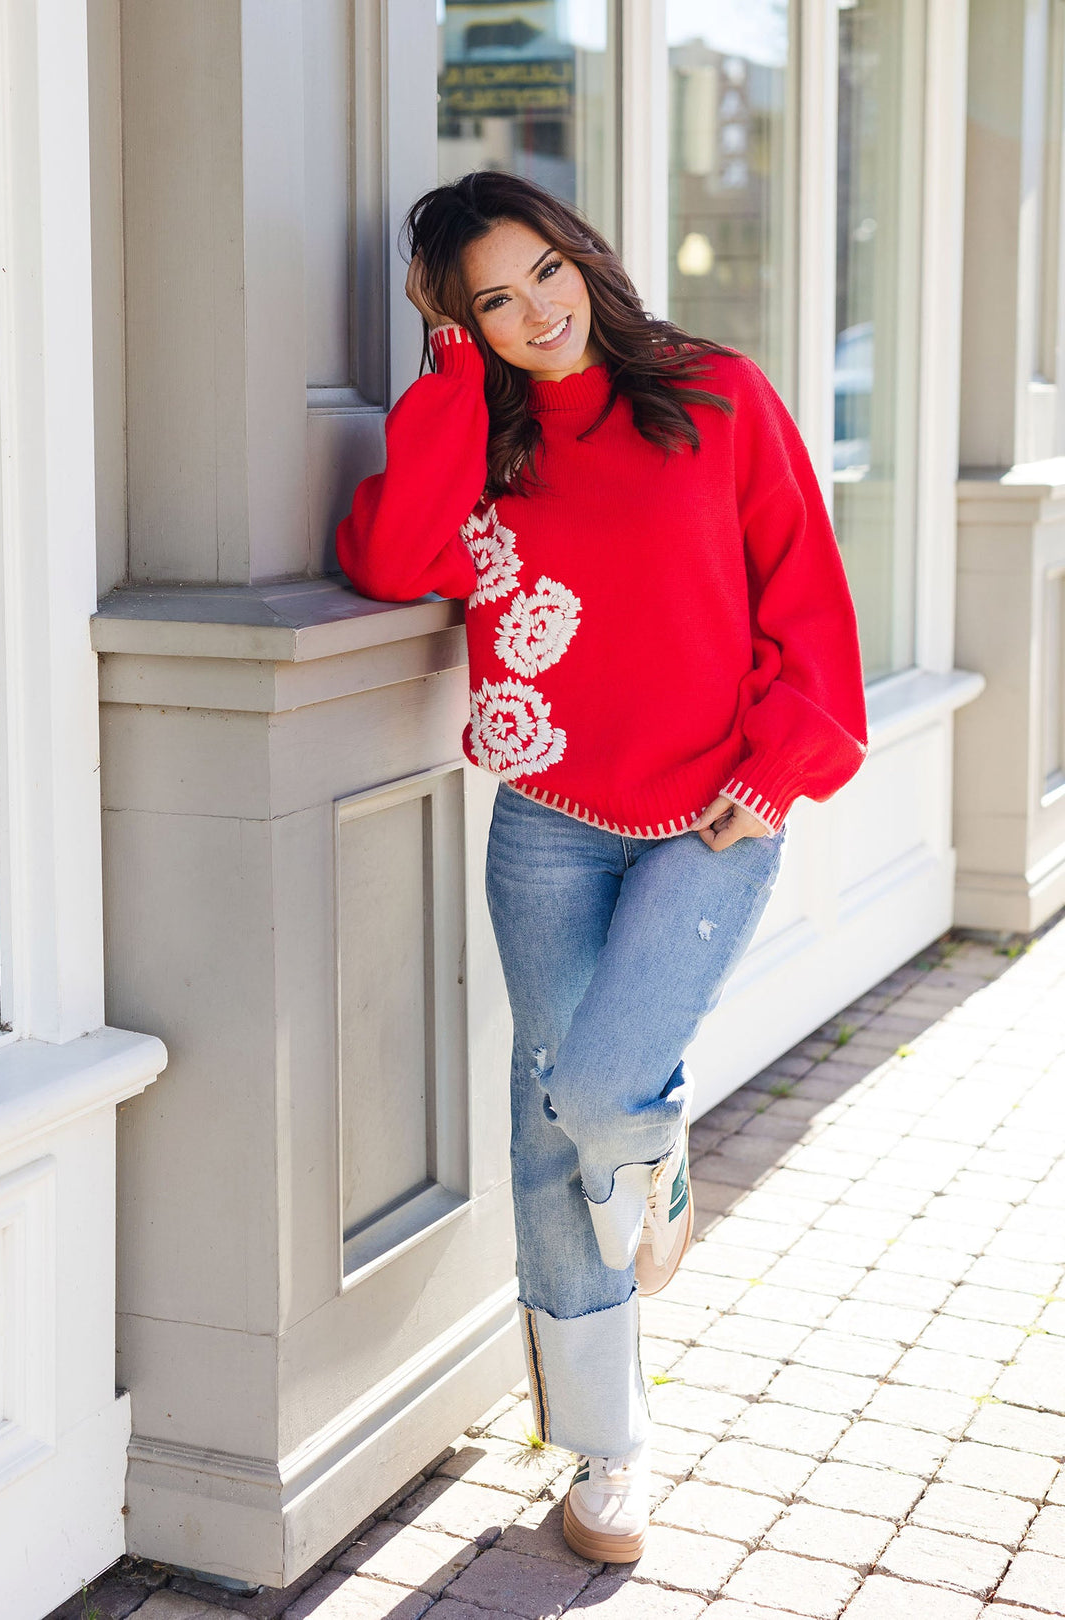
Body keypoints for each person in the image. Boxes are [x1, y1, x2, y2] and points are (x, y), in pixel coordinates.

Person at [335, 170, 868, 1563]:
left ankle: (649, 1150)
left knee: (591, 1094)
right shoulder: (489, 434)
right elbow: (397, 559)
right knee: (546, 1124)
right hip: (551, 814)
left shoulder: (715, 395)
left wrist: (777, 773)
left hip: (714, 812)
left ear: (586, 252)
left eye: (542, 274)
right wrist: (454, 376)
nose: (534, 314)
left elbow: (805, 589)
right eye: (490, 305)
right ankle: (607, 1456)